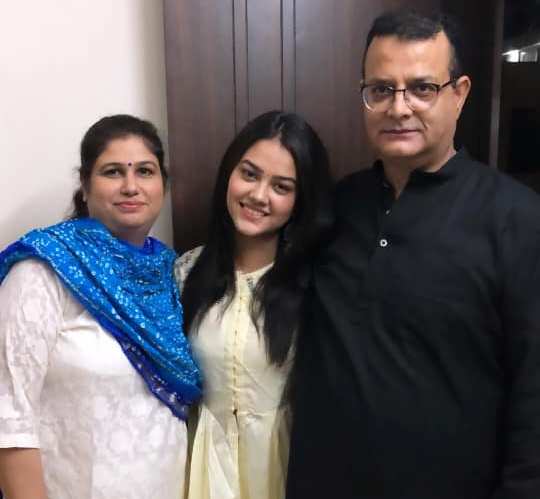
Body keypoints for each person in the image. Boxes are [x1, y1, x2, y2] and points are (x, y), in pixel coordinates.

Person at [286, 9, 540, 499]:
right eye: (381, 89)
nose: (398, 108)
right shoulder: (333, 208)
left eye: (422, 88)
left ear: (460, 94)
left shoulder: (519, 221)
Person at [0, 114, 201, 499]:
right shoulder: (43, 273)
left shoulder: (169, 276)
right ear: (85, 185)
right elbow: (9, 417)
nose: (131, 186)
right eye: (112, 172)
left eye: (145, 171)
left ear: (163, 184)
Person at [174, 110, 331, 499]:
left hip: (285, 466)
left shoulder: (319, 283)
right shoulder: (186, 272)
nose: (259, 195)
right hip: (203, 463)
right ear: (229, 174)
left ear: (300, 200)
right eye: (249, 174)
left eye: (281, 186)